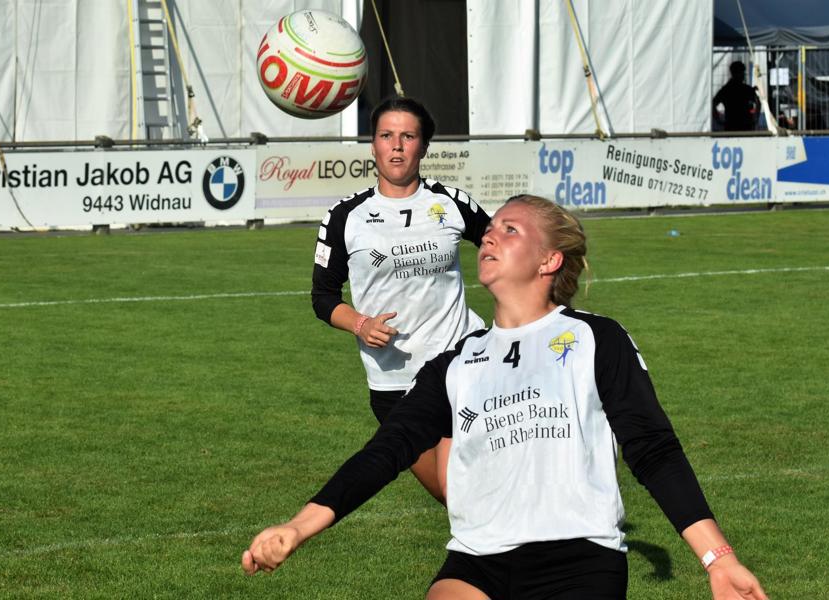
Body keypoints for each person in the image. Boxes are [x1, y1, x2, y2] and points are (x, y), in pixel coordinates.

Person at [247, 196, 769, 600]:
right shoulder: (456, 362)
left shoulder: (597, 339)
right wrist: (298, 527)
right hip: (477, 562)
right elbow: (389, 449)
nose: (490, 237)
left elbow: (652, 449)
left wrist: (717, 559)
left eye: (510, 230)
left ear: (549, 260)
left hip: (578, 559)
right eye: (491, 229)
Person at [311, 97, 490, 502]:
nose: (397, 145)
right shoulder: (345, 216)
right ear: (372, 146)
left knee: (476, 492)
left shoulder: (452, 202)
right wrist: (360, 324)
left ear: (423, 146)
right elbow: (323, 297)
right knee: (454, 496)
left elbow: (502, 248)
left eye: (408, 136)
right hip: (395, 383)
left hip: (464, 366)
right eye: (386, 135)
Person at [713, 61, 761, 132]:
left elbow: (713, 103)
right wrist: (755, 118)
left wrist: (718, 120)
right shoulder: (745, 89)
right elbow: (758, 102)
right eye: (742, 73)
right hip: (744, 127)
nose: (744, 75)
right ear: (737, 73)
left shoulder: (726, 90)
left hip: (731, 127)